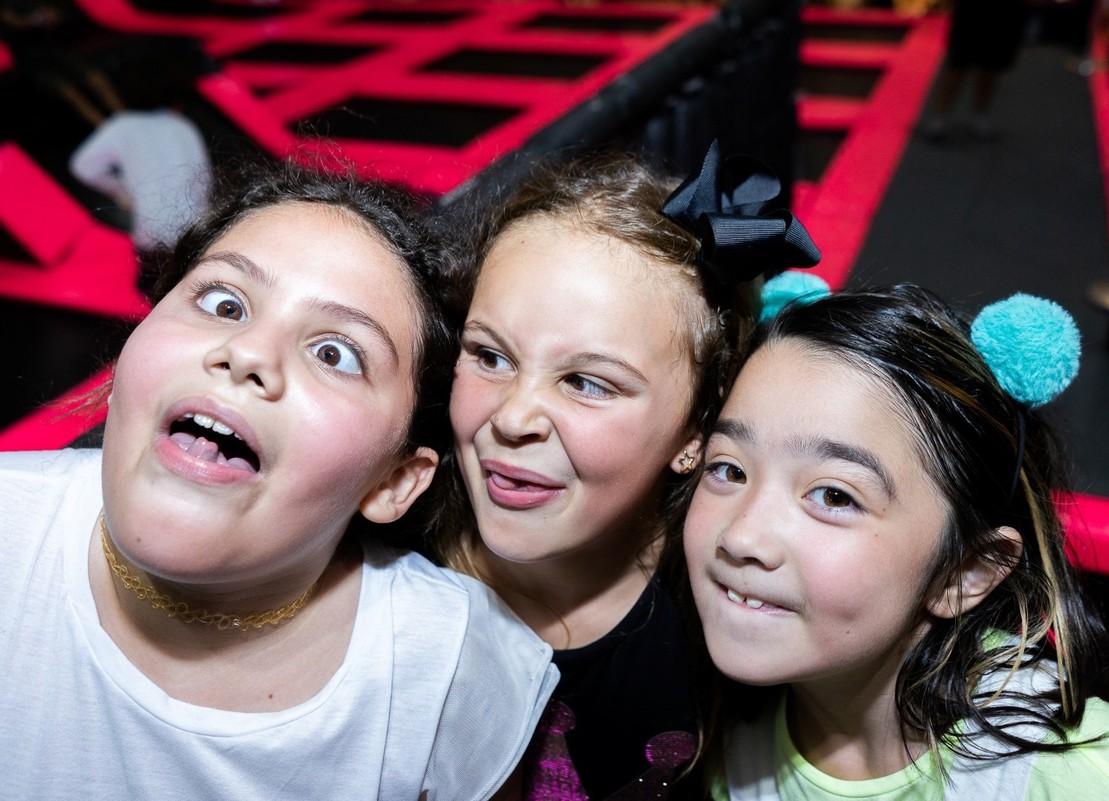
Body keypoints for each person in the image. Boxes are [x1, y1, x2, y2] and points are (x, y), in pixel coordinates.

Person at [0, 157, 557, 800]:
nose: (249, 353)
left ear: (394, 483)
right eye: (224, 303)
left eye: (335, 353)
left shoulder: (452, 670)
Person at [685, 280, 1109, 799]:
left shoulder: (1084, 779)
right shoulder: (709, 717)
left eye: (835, 496)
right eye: (729, 469)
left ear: (965, 571)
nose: (742, 536)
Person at [426, 141, 821, 798]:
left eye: (586, 382)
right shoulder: (379, 560)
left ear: (696, 431)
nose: (514, 417)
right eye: (491, 356)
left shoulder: (729, 619)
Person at [68, 43, 212, 258]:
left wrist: (122, 192)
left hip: (154, 239)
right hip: (196, 234)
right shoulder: (183, 126)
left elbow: (82, 167)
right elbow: (204, 182)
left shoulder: (124, 126)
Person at [924, 0, 1029, 141]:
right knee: (958, 65)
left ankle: (979, 116)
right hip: (972, 9)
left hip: (1005, 11)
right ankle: (939, 118)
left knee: (991, 66)